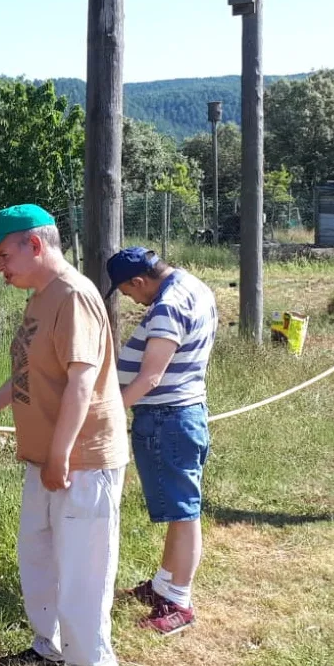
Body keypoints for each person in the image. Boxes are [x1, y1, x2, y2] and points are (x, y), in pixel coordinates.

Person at [0, 203, 130, 666]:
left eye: (2, 254)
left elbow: (82, 382)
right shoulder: (40, 297)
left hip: (81, 460)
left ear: (35, 245)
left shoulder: (75, 296)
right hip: (45, 458)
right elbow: (34, 371)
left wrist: (61, 454)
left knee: (83, 566)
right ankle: (52, 647)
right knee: (38, 555)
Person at [107, 247, 218, 635]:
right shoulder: (192, 285)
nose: (132, 300)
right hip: (180, 413)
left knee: (184, 512)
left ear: (139, 281)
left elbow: (150, 376)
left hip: (169, 417)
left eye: (127, 292)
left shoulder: (168, 304)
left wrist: (106, 413)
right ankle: (165, 586)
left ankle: (181, 602)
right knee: (177, 508)